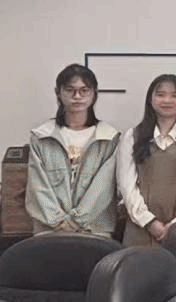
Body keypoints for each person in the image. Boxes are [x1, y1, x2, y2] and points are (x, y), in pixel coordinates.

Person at [26, 63, 120, 237]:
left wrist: (76, 221)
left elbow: (103, 187)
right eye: (70, 90)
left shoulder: (109, 137)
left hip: (94, 229)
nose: (77, 96)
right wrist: (57, 221)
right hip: (49, 229)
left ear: (94, 94)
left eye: (84, 91)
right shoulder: (41, 136)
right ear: (58, 93)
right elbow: (37, 186)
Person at [116, 74, 176, 246]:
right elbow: (126, 185)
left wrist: (175, 225)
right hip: (140, 226)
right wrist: (149, 222)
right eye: (160, 94)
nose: (167, 100)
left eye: (175, 95)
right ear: (150, 99)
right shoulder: (133, 136)